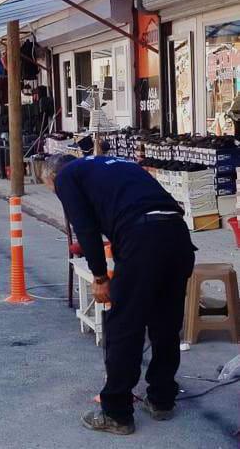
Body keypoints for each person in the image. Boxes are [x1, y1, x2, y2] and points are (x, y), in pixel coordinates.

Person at [41, 154, 196, 436]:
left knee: (124, 326)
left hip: (143, 238)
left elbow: (85, 229)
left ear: (53, 177)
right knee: (165, 322)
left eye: (52, 190)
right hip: (176, 235)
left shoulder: (67, 176)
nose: (58, 195)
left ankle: (116, 412)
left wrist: (99, 276)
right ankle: (162, 400)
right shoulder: (116, 165)